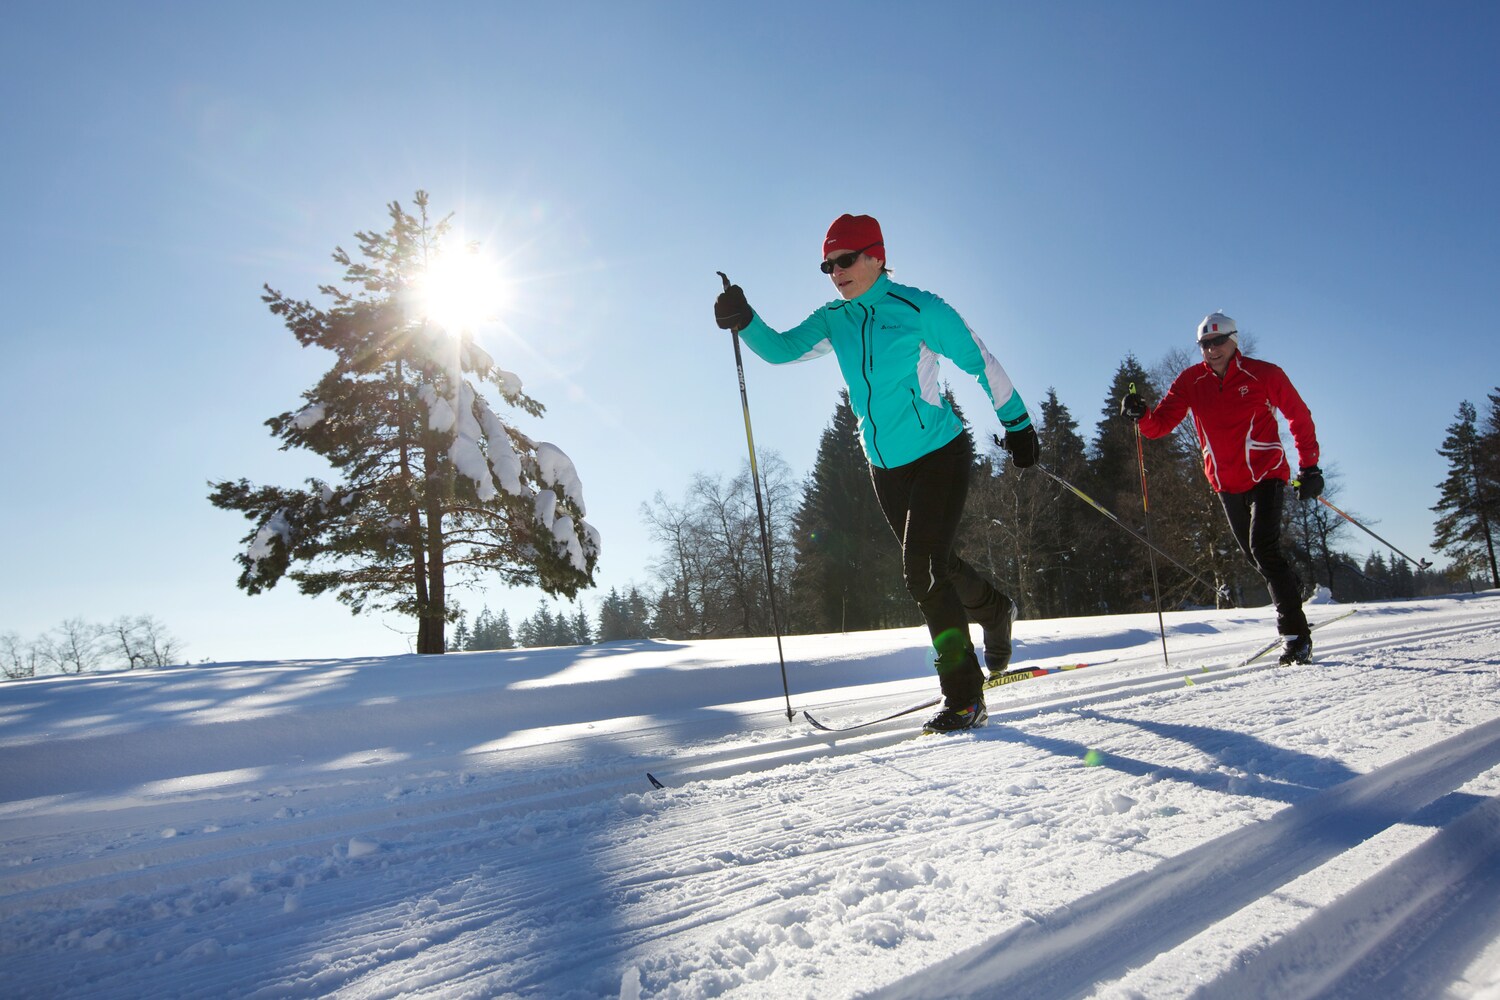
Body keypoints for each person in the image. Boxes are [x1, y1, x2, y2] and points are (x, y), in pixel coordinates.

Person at [713, 213, 1038, 732]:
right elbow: (782, 350)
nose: (835, 272)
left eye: (844, 260)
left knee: (920, 572)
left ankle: (964, 696)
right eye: (827, 264)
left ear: (876, 257)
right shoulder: (834, 319)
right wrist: (745, 318)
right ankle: (996, 610)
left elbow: (981, 361)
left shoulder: (920, 309)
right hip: (884, 467)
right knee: (937, 564)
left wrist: (1017, 424)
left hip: (939, 454)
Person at [1120, 312, 1324, 664]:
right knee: (1255, 555)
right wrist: (1142, 414)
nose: (1211, 350)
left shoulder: (1264, 374)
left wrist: (1309, 467)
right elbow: (1161, 425)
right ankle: (1291, 585)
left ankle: (1295, 635)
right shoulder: (1190, 381)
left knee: (1264, 547)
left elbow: (1298, 415)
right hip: (1225, 482)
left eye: (1218, 342)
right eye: (1204, 344)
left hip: (1267, 474)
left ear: (1234, 340)